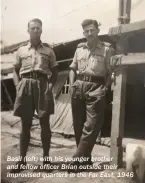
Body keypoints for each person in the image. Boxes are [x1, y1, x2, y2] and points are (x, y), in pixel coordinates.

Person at [11, 18, 58, 173]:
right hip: (25, 84)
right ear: (28, 30)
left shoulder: (49, 50)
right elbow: (15, 70)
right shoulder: (21, 50)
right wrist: (18, 86)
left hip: (42, 83)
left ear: (42, 30)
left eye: (38, 28)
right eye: (33, 28)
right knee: (25, 125)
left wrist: (50, 85)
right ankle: (22, 160)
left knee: (45, 124)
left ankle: (46, 160)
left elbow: (55, 70)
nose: (36, 30)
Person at [69, 19, 115, 171]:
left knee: (91, 125)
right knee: (78, 125)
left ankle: (76, 160)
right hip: (78, 86)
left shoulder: (107, 49)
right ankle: (86, 160)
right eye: (86, 31)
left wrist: (105, 88)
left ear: (97, 31)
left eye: (92, 30)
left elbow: (110, 72)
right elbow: (72, 68)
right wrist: (71, 84)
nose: (89, 33)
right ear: (83, 33)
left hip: (96, 87)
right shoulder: (79, 49)